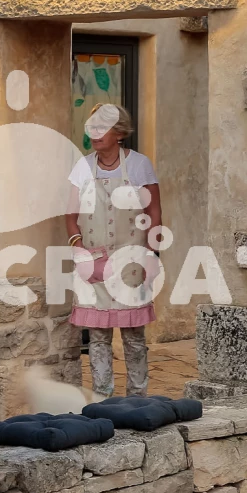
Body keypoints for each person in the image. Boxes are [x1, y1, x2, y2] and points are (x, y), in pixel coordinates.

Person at [63, 103, 163, 398]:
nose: (94, 133)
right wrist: (79, 250)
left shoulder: (139, 165)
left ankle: (138, 398)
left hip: (132, 262)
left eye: (101, 127)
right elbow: (70, 215)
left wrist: (151, 255)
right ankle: (101, 398)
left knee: (133, 336)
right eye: (92, 127)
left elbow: (154, 212)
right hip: (94, 260)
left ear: (119, 133)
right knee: (97, 337)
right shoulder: (82, 167)